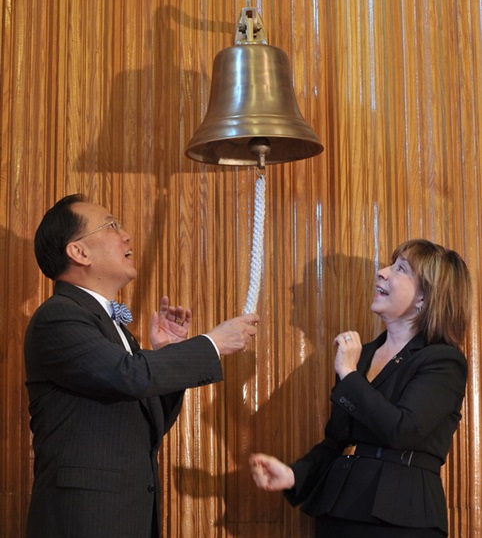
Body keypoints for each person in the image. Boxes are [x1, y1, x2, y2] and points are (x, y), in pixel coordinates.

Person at [24, 193, 259, 538]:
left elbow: (150, 422)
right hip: (84, 520)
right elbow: (129, 375)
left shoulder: (113, 328)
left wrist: (165, 351)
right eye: (111, 225)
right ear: (79, 252)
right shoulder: (58, 316)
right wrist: (212, 344)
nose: (126, 235)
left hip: (129, 515)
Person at [249, 239, 471, 537]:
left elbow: (403, 430)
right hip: (337, 510)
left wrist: (349, 374)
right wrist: (293, 474)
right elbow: (337, 441)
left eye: (400, 269)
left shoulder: (443, 360)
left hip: (400, 520)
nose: (382, 272)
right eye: (390, 265)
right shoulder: (361, 355)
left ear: (425, 297)